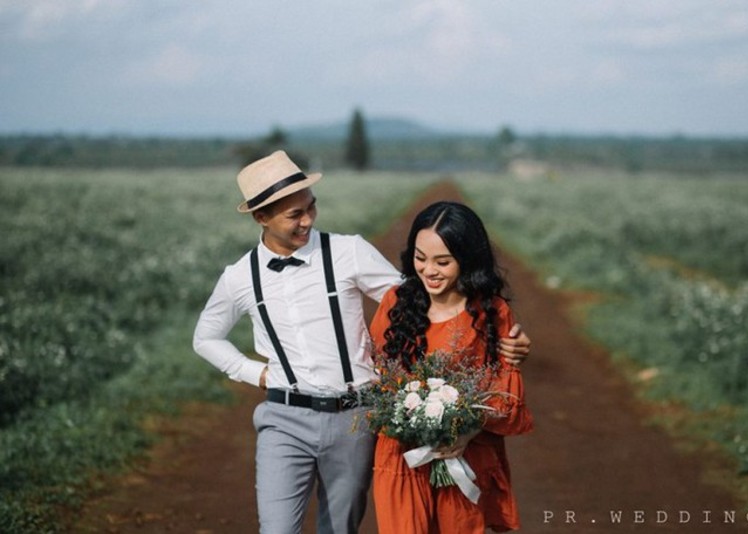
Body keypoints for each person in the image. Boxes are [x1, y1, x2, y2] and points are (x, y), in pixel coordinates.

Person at [192, 151, 531, 534]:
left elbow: (419, 299)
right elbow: (206, 337)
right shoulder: (239, 277)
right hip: (284, 417)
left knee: (339, 528)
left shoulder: (347, 251)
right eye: (294, 215)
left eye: (311, 207)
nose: (308, 220)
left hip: (352, 417)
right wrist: (256, 373)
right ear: (261, 217)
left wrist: (500, 332)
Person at [368, 201, 534, 533]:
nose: (429, 270)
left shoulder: (491, 312)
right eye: (420, 258)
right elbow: (379, 375)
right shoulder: (395, 303)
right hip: (403, 456)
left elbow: (503, 390)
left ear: (467, 259)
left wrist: (467, 431)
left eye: (443, 262)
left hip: (464, 455)